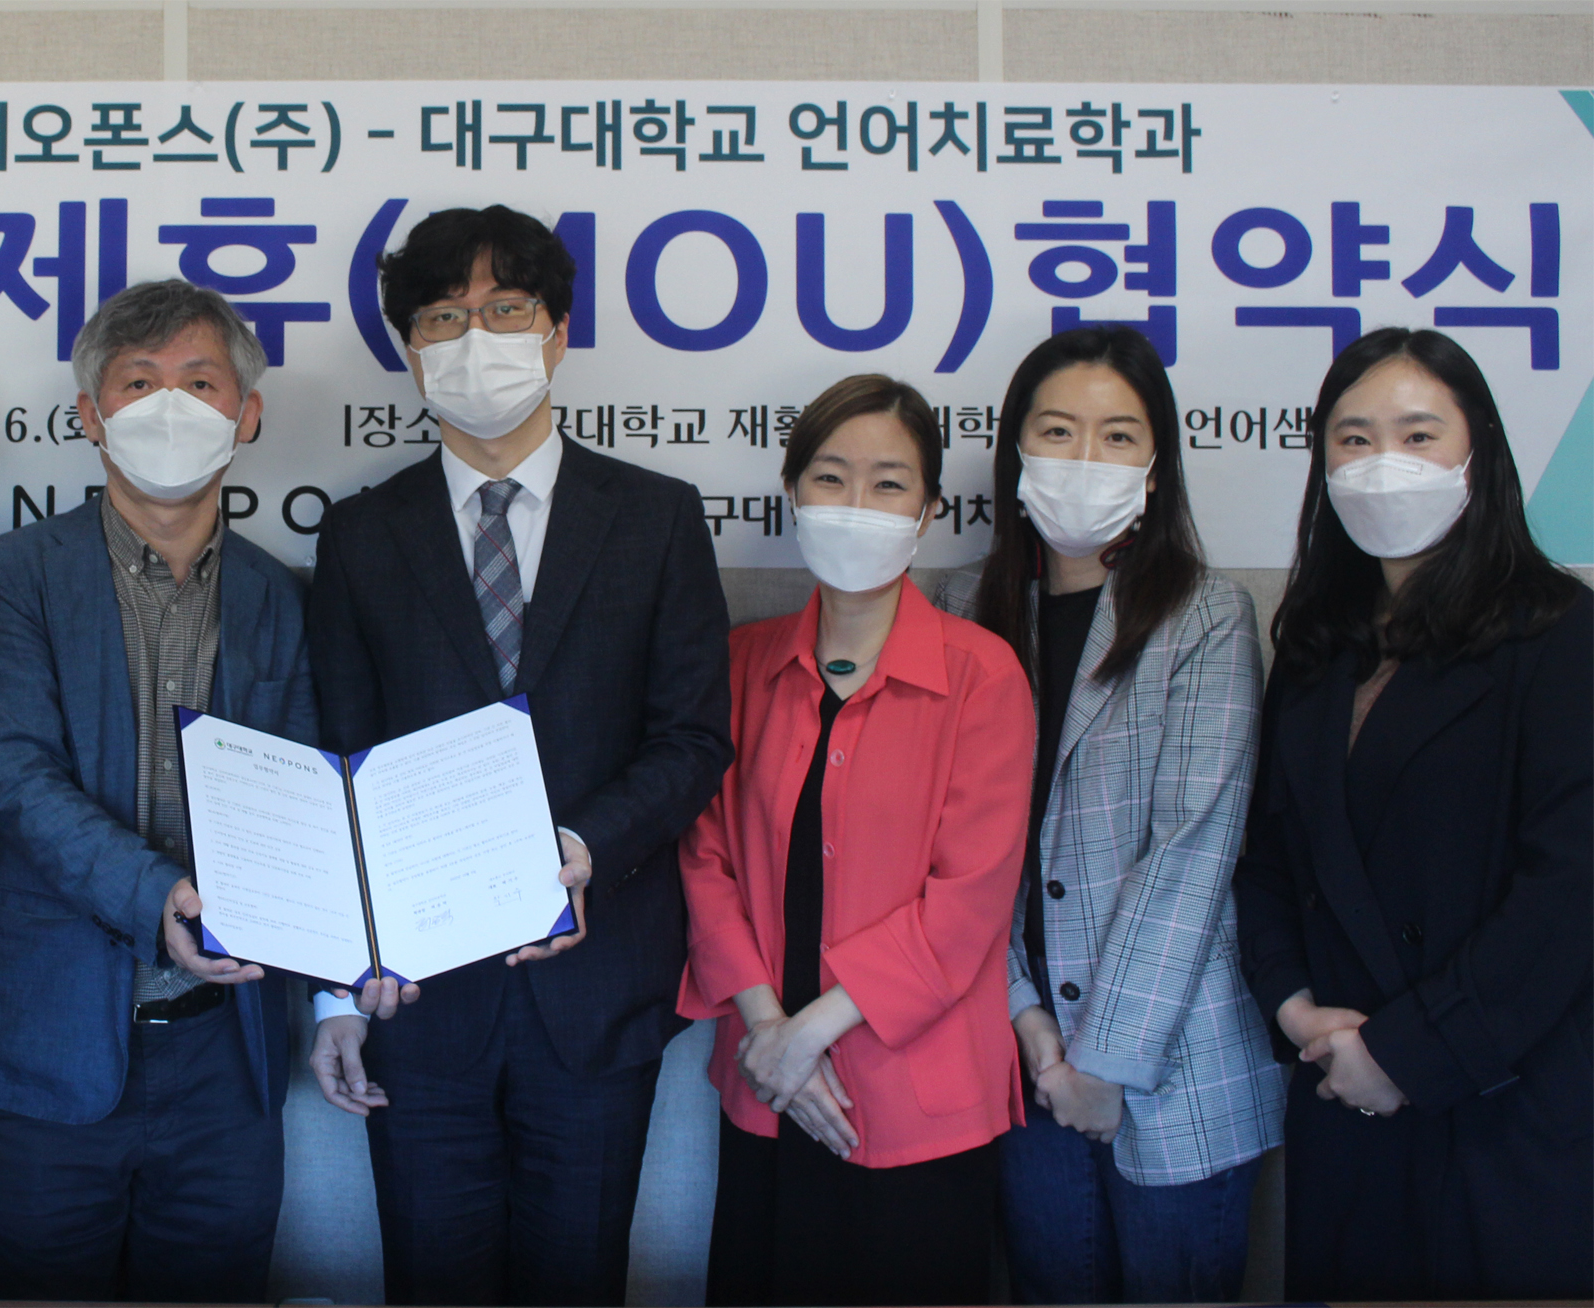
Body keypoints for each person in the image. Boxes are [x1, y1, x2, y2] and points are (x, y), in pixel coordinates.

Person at [305, 204, 732, 1307]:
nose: (475, 337)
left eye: (505, 309)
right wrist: (336, 992)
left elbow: (693, 737)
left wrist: (586, 845)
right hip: (418, 1003)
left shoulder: (656, 518)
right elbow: (339, 764)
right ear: (411, 351)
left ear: (556, 333)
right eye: (444, 318)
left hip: (597, 994)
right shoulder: (361, 534)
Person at [0, 279, 312, 1304]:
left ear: (247, 414)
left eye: (201, 383)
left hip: (227, 1054)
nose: (170, 407)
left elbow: (303, 793)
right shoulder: (9, 580)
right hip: (49, 1047)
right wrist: (159, 897)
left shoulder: (280, 596)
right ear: (90, 414)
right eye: (139, 382)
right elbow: (19, 780)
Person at [1234, 327, 1590, 1300]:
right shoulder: (1318, 650)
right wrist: (1292, 1005)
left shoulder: (1561, 637)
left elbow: (1568, 894)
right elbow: (1269, 859)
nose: (1381, 462)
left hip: (1497, 1105)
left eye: (1418, 434)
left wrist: (1404, 1054)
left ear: (1479, 453)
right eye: (1352, 439)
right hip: (1339, 1089)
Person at [933, 326, 1284, 1302]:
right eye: (1057, 430)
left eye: (1118, 436)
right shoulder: (960, 612)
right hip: (1022, 1059)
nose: (1084, 458)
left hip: (1172, 1062)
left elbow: (1190, 856)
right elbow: (950, 847)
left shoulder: (1206, 616)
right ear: (1014, 452)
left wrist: (1104, 1063)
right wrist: (1028, 1021)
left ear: (1156, 467)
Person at [678, 374, 1032, 1307]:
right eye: (831, 478)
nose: (857, 504)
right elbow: (704, 860)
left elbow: (969, 899)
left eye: (889, 483)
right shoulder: (741, 664)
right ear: (792, 493)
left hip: (918, 1099)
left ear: (930, 509)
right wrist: (770, 1035)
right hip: (765, 1084)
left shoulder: (982, 674)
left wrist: (810, 1036)